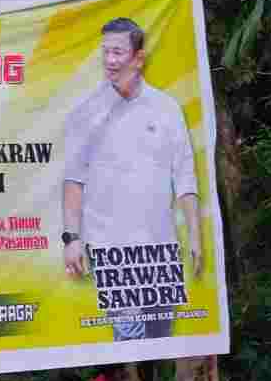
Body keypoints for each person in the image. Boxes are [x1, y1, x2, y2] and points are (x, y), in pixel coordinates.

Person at [62, 17, 201, 341]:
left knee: (161, 339)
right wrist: (71, 238)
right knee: (129, 341)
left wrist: (195, 235)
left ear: (138, 57)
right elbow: (73, 180)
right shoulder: (86, 112)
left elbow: (184, 175)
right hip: (113, 250)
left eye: (118, 52)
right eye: (106, 52)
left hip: (162, 247)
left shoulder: (166, 108)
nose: (110, 60)